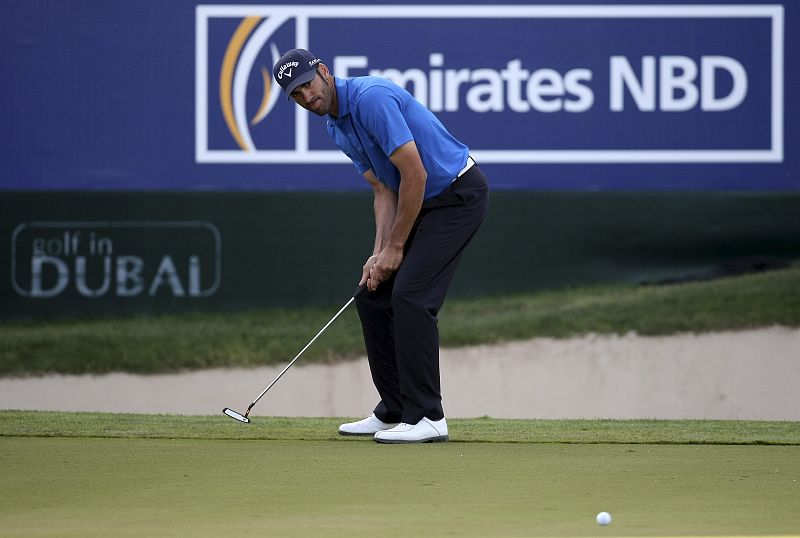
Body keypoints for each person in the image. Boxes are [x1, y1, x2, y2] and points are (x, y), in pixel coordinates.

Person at [273, 49, 489, 443]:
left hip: (456, 195)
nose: (307, 98)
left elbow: (415, 174)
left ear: (324, 72)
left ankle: (428, 416)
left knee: (411, 296)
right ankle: (396, 410)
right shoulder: (336, 127)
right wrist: (378, 255)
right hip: (418, 200)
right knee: (373, 296)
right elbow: (384, 190)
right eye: (296, 95)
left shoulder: (370, 98)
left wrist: (396, 248)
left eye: (308, 85)